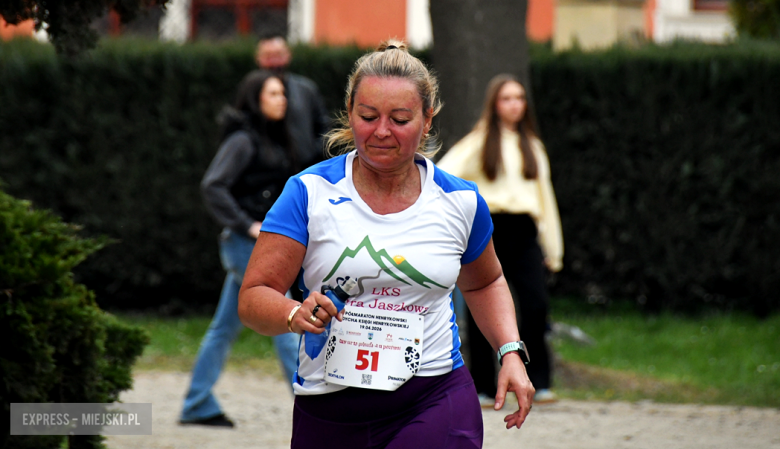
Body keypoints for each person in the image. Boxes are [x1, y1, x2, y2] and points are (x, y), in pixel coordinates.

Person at [237, 40, 535, 448]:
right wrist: (294, 312)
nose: (381, 131)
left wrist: (511, 351)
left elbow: (485, 283)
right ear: (349, 112)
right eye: (368, 116)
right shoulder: (309, 193)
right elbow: (254, 296)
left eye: (399, 118)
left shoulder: (460, 201)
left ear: (427, 120)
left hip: (433, 397)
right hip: (329, 407)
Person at [179, 71, 301, 428]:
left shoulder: (276, 139)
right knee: (284, 319)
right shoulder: (243, 141)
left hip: (262, 245)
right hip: (246, 245)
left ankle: (197, 403)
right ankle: (311, 401)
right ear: (255, 99)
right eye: (274, 93)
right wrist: (247, 223)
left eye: (283, 93)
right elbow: (213, 186)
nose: (283, 99)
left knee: (224, 327)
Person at [437, 74, 564, 406]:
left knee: (536, 305)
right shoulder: (478, 143)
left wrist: (553, 249)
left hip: (524, 233)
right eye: (507, 98)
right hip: (490, 228)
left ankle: (539, 381)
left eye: (519, 98)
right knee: (483, 306)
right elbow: (443, 174)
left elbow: (545, 199)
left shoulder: (533, 146)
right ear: (494, 104)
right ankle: (481, 385)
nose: (514, 105)